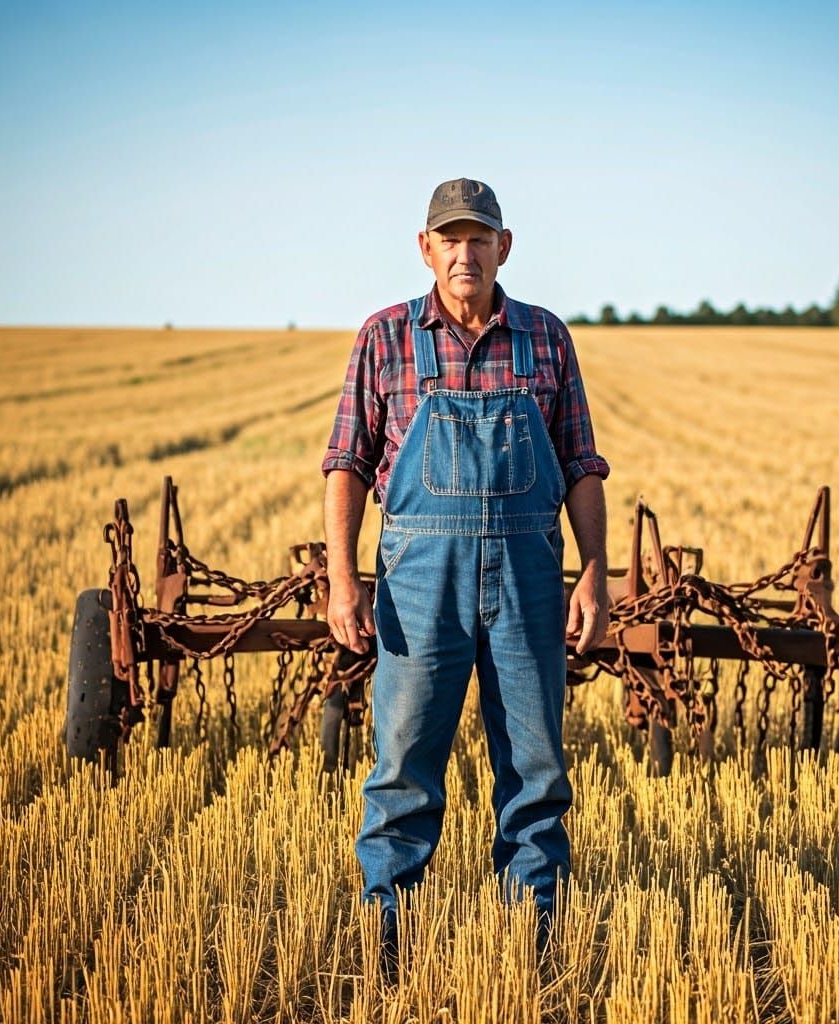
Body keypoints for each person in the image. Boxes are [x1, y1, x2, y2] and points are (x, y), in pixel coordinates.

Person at [321, 177, 610, 968]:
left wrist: (593, 574)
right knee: (404, 765)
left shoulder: (546, 338)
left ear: (503, 247)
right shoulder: (384, 337)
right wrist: (344, 580)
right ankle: (388, 941)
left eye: (478, 238)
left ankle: (534, 941)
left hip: (526, 582)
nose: (464, 252)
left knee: (536, 769)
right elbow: (347, 464)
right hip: (420, 586)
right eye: (449, 238)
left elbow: (581, 465)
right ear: (426, 249)